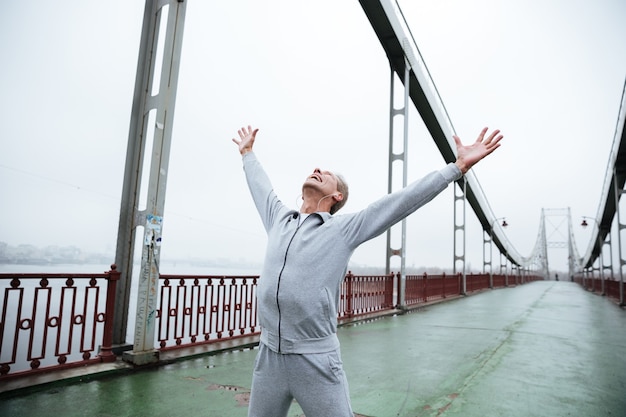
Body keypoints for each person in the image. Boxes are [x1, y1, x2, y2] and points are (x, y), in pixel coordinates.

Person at [232, 125, 502, 417]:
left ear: (337, 196)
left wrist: (457, 167)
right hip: (269, 354)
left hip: (315, 359)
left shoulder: (342, 230)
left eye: (328, 174)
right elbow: (260, 186)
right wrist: (247, 153)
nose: (317, 168)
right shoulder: (278, 218)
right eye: (316, 169)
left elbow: (400, 202)